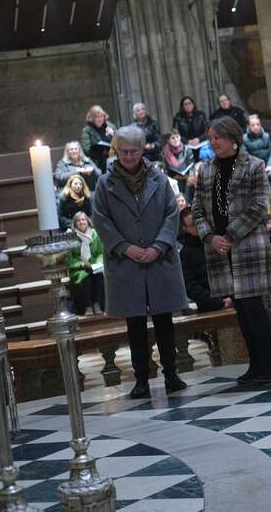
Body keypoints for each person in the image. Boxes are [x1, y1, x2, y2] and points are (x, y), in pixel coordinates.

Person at [92, 125, 189, 399]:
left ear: (143, 149)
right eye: (123, 151)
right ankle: (141, 380)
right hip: (126, 262)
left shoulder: (159, 178)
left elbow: (171, 214)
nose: (128, 157)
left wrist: (158, 246)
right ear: (116, 150)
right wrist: (124, 247)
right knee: (134, 325)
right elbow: (101, 219)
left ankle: (171, 375)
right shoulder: (105, 183)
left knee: (164, 321)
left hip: (159, 259)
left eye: (133, 151)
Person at [192, 117, 271, 383]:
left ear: (233, 138)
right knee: (240, 309)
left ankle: (269, 365)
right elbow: (197, 209)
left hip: (246, 246)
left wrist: (229, 235)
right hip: (220, 250)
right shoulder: (206, 169)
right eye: (210, 137)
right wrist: (210, 236)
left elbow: (259, 206)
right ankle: (255, 364)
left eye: (218, 137)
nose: (213, 142)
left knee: (254, 306)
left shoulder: (253, 165)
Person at [178, 206, 231, 313]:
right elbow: (190, 286)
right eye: (192, 225)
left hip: (233, 298)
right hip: (210, 307)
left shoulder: (216, 240)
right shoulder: (185, 253)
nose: (198, 226)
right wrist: (218, 302)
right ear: (185, 229)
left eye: (198, 221)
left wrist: (232, 298)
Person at [66, 212, 105, 316]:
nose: (81, 222)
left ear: (87, 221)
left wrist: (98, 262)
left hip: (94, 266)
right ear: (75, 224)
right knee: (86, 278)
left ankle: (97, 304)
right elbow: (69, 258)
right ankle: (88, 306)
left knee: (99, 276)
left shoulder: (95, 234)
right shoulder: (70, 236)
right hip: (79, 269)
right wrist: (82, 264)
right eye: (78, 221)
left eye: (83, 219)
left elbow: (100, 252)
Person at [244, 114, 271, 191]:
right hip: (253, 167)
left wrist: (270, 165)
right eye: (253, 125)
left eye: (258, 124)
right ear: (248, 126)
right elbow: (246, 156)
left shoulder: (267, 136)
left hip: (267, 165)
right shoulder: (244, 139)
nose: (256, 127)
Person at [81, 105, 116, 173]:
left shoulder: (110, 126)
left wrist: (113, 134)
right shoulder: (87, 130)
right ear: (92, 119)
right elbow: (87, 150)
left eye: (101, 116)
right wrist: (102, 150)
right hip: (98, 163)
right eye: (96, 117)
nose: (100, 119)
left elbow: (121, 141)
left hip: (113, 159)